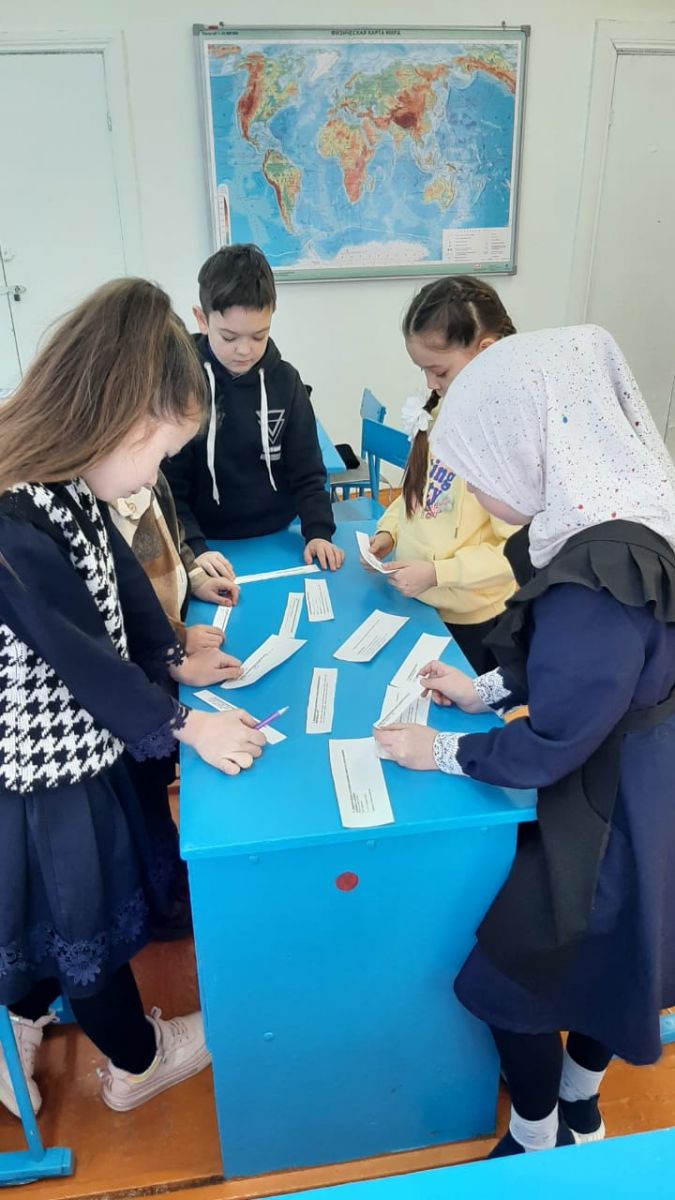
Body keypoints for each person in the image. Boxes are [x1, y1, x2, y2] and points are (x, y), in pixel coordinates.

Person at [374, 325, 675, 1156]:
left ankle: (537, 1132)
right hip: (647, 784)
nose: (476, 488)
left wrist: (439, 751)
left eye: (481, 467)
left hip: (607, 809)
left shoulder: (594, 574)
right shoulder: (618, 511)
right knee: (622, 958)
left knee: (510, 980)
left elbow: (554, 739)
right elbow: (584, 668)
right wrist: (485, 689)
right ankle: (580, 1102)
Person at [0, 278, 266, 1118]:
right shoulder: (13, 513)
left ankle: (17, 1023)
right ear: (117, 418)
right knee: (82, 926)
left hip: (80, 744)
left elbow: (117, 582)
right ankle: (136, 1063)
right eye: (158, 452)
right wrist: (187, 726)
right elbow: (77, 654)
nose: (154, 474)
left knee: (47, 914)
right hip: (43, 773)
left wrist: (172, 653)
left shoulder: (68, 479)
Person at [364, 277, 520, 674]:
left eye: (440, 371)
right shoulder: (439, 410)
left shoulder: (503, 440)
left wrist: (438, 572)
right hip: (422, 603)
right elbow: (417, 491)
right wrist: (389, 532)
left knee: (464, 705)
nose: (431, 384)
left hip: (474, 620)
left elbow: (518, 550)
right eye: (423, 371)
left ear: (486, 351)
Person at [163, 243, 344, 573]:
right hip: (208, 543)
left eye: (258, 336)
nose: (244, 350)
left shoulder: (286, 382)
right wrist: (193, 547)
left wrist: (318, 532)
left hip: (279, 536)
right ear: (202, 319)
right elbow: (170, 485)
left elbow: (307, 471)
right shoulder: (182, 383)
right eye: (229, 337)